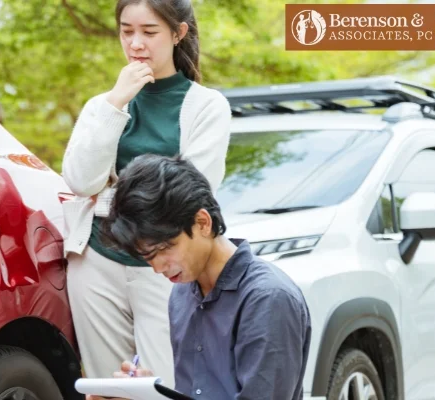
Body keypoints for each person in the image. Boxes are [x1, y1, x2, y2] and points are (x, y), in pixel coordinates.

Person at [60, 0, 231, 386]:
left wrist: (111, 187)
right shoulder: (102, 106)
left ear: (178, 33)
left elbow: (189, 192)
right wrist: (116, 103)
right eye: (126, 31)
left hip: (169, 266)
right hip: (97, 261)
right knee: (107, 385)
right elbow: (80, 181)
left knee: (168, 382)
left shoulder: (207, 107)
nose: (136, 43)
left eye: (149, 32)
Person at [88, 154, 312, 399]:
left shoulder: (268, 298)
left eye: (164, 249)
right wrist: (150, 393)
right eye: (148, 257)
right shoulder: (182, 293)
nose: (158, 268)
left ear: (202, 222)